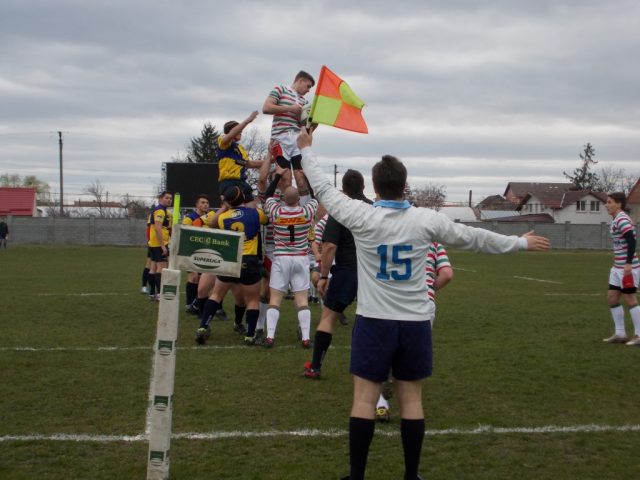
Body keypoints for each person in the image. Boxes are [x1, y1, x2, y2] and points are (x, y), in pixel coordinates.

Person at [297, 128, 551, 480]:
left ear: (375, 186)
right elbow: (474, 238)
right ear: (404, 185)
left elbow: (323, 188)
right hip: (415, 322)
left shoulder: (360, 215)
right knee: (412, 401)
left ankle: (357, 476)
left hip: (374, 321)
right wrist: (519, 243)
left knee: (364, 400)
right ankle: (412, 476)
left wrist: (307, 151)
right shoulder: (425, 219)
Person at [303, 170, 372, 379]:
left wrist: (323, 276)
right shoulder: (375, 209)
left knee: (328, 318)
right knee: (371, 319)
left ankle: (315, 367)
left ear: (344, 189)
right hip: (373, 272)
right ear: (363, 187)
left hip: (348, 271)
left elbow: (330, 245)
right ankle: (373, 368)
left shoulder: (340, 210)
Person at [375, 242, 454, 422]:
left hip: (389, 300)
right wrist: (430, 289)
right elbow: (447, 274)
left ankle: (381, 403)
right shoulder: (433, 240)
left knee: (384, 352)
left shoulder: (386, 234)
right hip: (422, 303)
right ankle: (409, 407)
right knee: (409, 361)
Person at [195, 186, 267, 345]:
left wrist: (224, 207)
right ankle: (249, 335)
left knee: (216, 295)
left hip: (230, 259)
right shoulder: (256, 213)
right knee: (253, 299)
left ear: (227, 202)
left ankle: (203, 326)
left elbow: (212, 223)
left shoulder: (223, 217)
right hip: (249, 260)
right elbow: (266, 220)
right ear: (243, 198)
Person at [264, 184, 319, 348]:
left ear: (283, 200)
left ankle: (270, 336)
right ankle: (306, 338)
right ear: (299, 199)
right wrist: (307, 179)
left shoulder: (276, 212)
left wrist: (278, 177)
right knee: (302, 300)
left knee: (275, 299)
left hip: (281, 258)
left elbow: (267, 196)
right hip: (301, 258)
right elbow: (314, 197)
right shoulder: (306, 212)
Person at [262, 71, 315, 191]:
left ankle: (303, 209)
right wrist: (290, 108)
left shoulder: (305, 102)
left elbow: (305, 128)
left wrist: (314, 122)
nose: (308, 90)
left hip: (297, 140)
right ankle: (285, 208)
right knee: (286, 180)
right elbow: (266, 108)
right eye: (308, 86)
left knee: (302, 180)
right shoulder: (280, 89)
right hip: (280, 139)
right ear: (300, 80)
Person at [602, 192, 640, 346]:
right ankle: (620, 334)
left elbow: (632, 241)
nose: (606, 205)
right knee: (612, 297)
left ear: (619, 204)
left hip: (626, 267)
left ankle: (639, 335)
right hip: (617, 267)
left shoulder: (622, 219)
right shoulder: (617, 219)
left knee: (630, 299)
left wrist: (628, 264)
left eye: (610, 202)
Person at [216, 111, 263, 204]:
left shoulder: (240, 148)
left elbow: (249, 164)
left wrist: (270, 160)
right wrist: (247, 121)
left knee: (252, 208)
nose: (241, 131)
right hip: (229, 183)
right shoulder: (223, 141)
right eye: (238, 129)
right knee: (232, 210)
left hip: (242, 182)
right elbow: (230, 135)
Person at [182, 194, 215, 313]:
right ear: (197, 205)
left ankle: (197, 304)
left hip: (205, 253)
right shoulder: (189, 218)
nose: (205, 204)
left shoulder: (210, 219)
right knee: (193, 277)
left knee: (202, 280)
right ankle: (189, 303)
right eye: (202, 202)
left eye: (207, 202)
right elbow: (185, 235)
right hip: (191, 252)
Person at [147, 191, 173, 301]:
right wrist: (163, 245)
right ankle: (159, 294)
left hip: (153, 243)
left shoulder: (162, 210)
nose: (169, 200)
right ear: (160, 198)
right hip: (158, 243)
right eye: (166, 198)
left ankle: (152, 293)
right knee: (161, 268)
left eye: (170, 198)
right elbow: (158, 228)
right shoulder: (160, 210)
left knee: (153, 268)